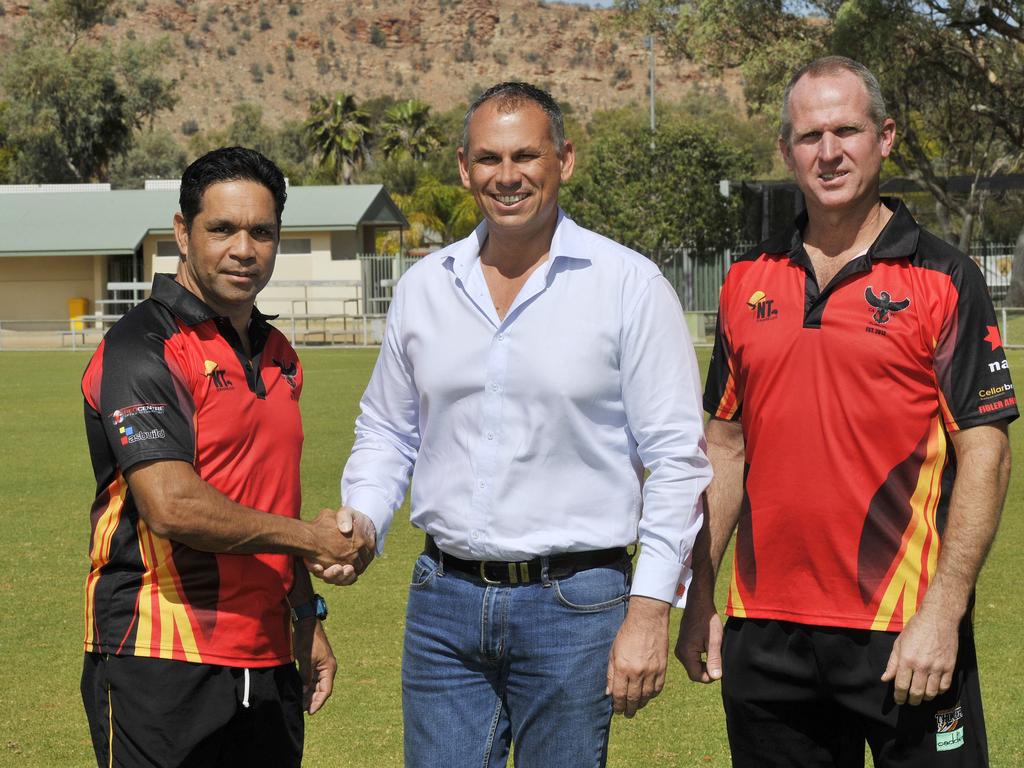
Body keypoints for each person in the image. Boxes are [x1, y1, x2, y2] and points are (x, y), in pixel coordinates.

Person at [322, 82, 711, 767]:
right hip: (443, 602)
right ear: (463, 167)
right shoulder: (425, 287)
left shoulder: (628, 285)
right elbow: (389, 430)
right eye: (488, 158)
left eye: (526, 155)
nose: (507, 176)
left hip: (577, 605)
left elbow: (678, 462)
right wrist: (364, 520)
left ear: (564, 159)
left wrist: (650, 611)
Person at [675, 56, 1017, 768]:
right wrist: (700, 594)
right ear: (786, 151)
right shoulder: (745, 281)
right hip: (765, 637)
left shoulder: (944, 277)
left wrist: (945, 611)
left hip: (903, 631)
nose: (828, 152)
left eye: (846, 130)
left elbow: (986, 453)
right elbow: (724, 448)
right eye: (809, 136)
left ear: (885, 137)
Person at [80, 146, 371, 768]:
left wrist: (304, 614)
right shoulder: (142, 346)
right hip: (158, 657)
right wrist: (311, 540)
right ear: (183, 233)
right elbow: (172, 506)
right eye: (222, 228)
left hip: (267, 660)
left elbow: (269, 498)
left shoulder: (280, 353)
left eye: (262, 232)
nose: (244, 249)